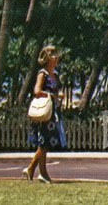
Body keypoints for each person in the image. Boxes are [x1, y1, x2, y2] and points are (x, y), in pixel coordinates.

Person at [24, 45, 67, 183]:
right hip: (44, 111)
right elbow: (36, 90)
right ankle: (38, 171)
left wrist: (58, 96)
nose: (56, 57)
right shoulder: (42, 73)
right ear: (47, 58)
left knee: (46, 143)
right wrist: (52, 95)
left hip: (52, 112)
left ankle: (34, 170)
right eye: (53, 54)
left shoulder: (56, 75)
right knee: (44, 142)